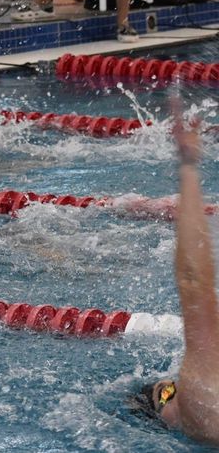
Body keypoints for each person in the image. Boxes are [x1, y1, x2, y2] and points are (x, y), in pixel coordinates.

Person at [136, 96, 219, 445]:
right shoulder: (206, 397)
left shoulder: (207, 405)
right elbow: (193, 279)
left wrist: (187, 166)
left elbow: (193, 278)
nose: (170, 386)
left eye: (165, 390)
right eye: (167, 391)